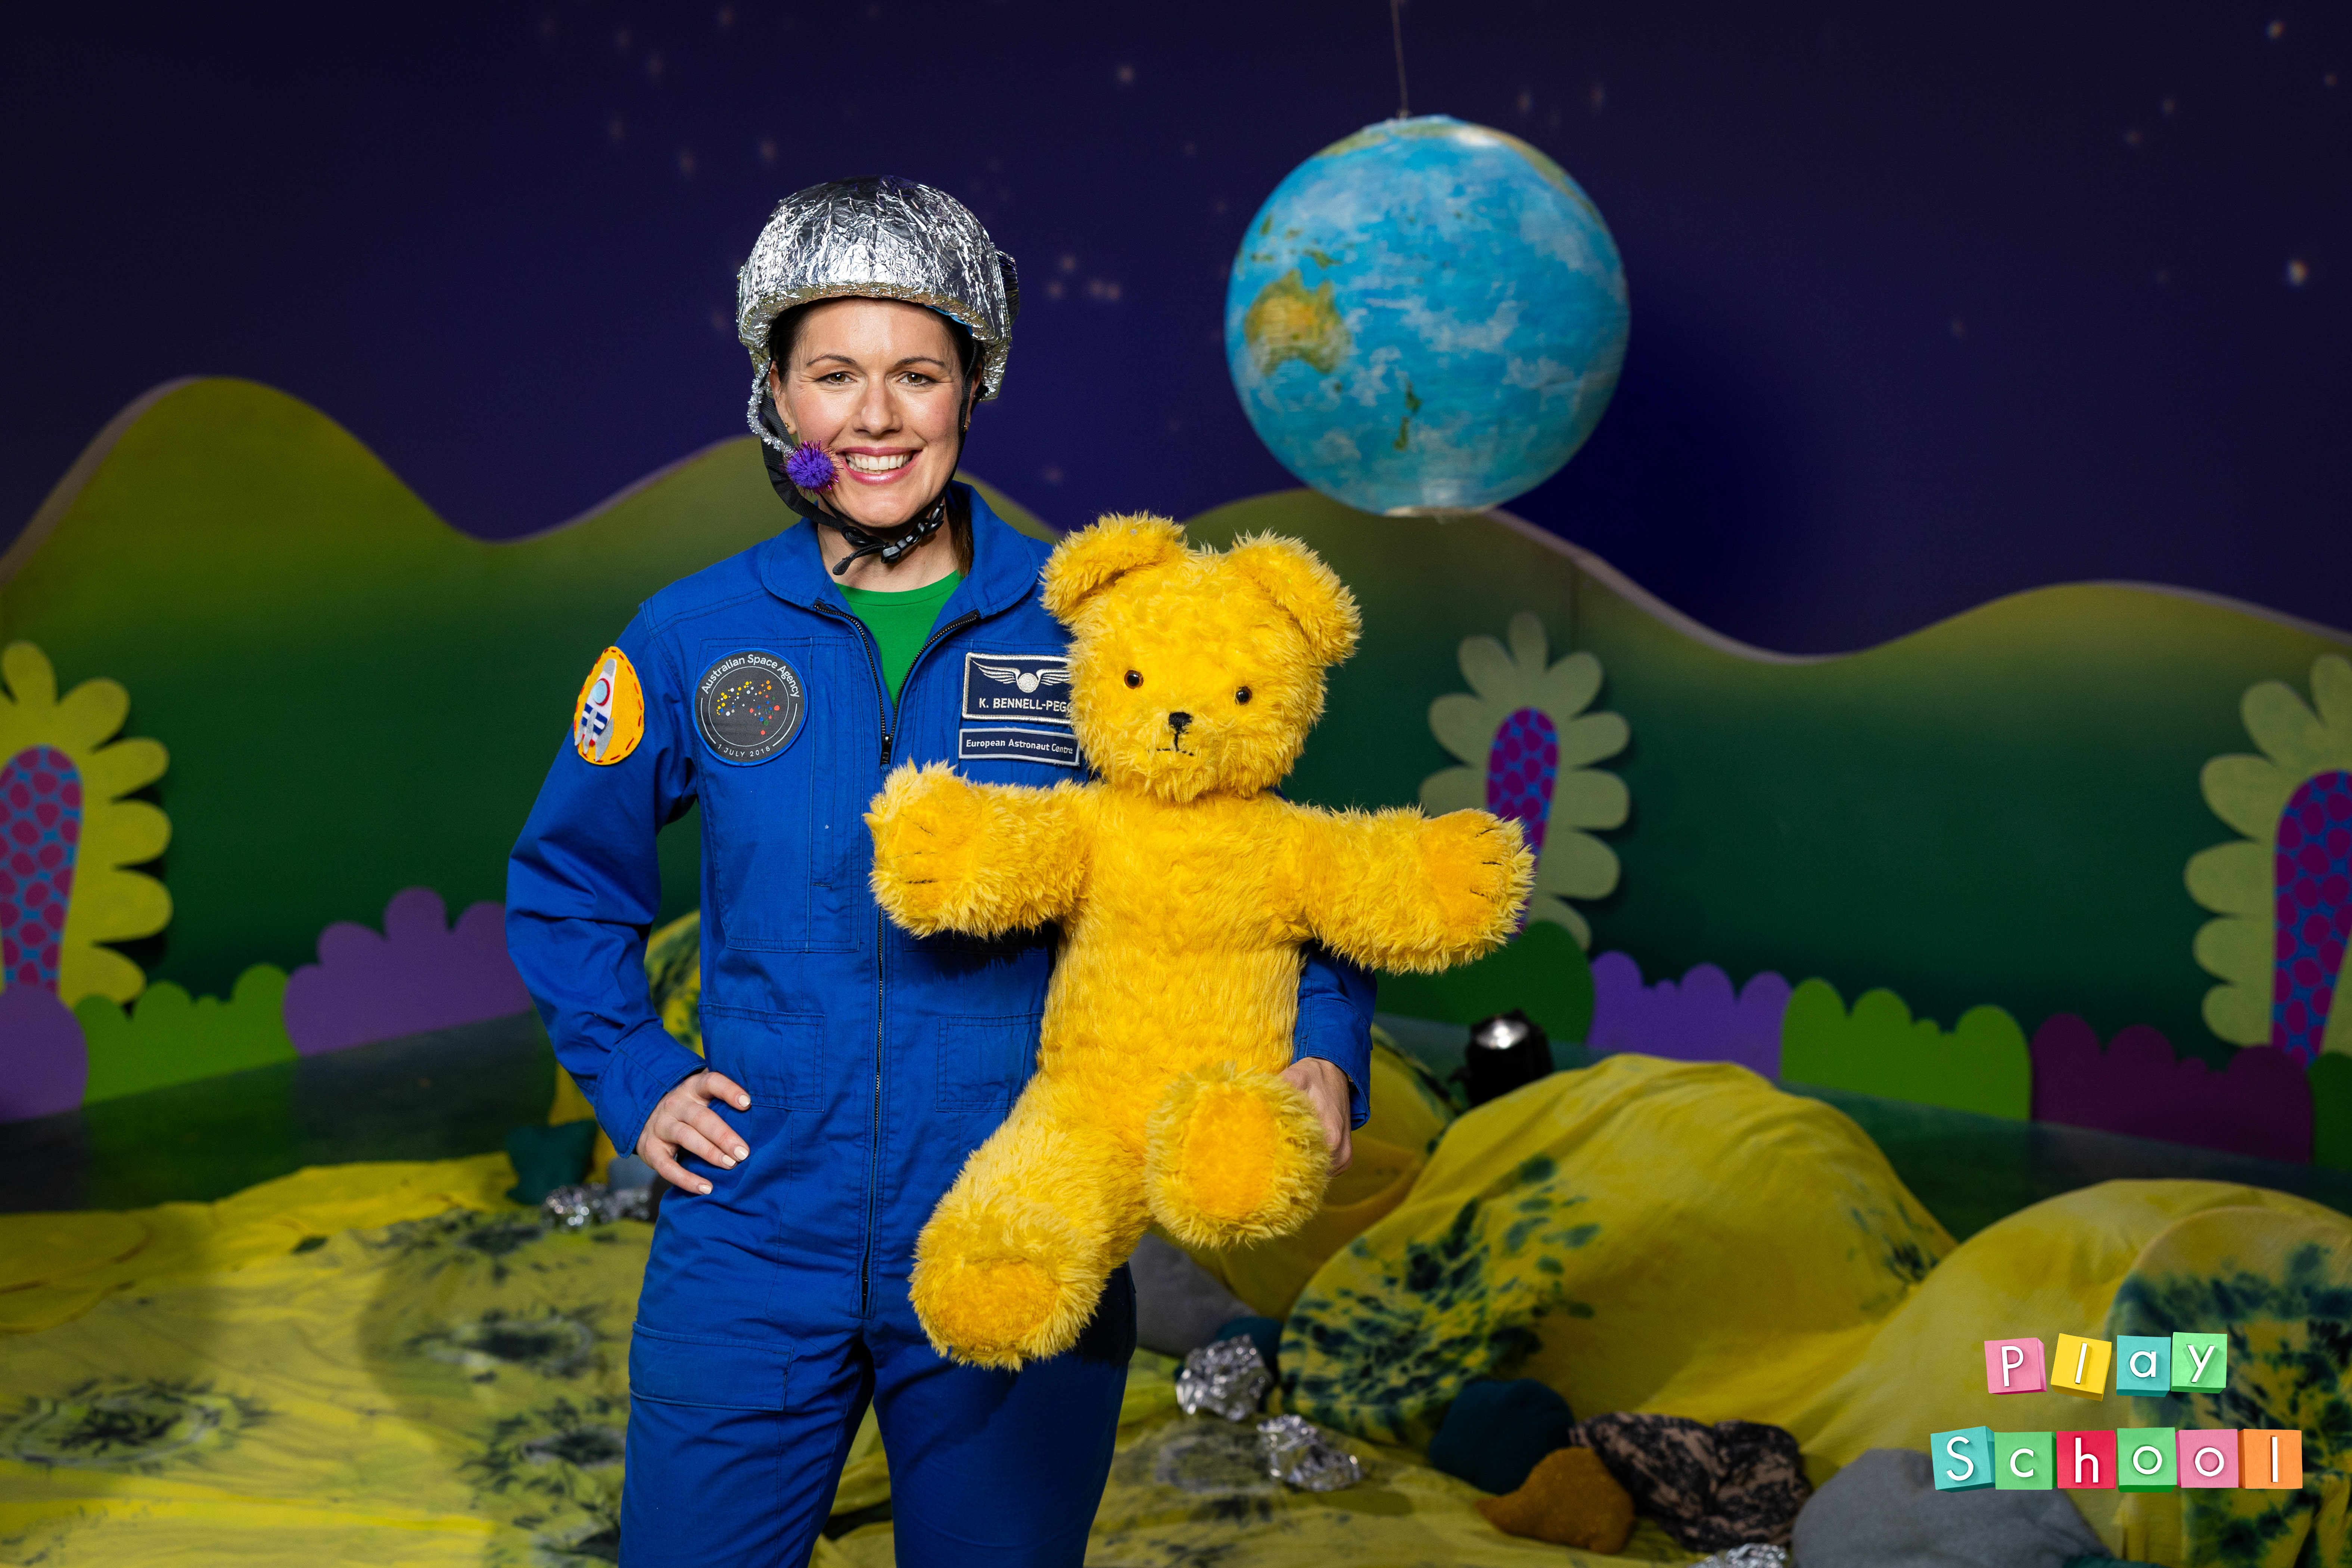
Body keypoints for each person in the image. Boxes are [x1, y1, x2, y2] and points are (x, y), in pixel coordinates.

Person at [505, 175, 1375, 1568]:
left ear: (974, 389)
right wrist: (631, 1072)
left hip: (1010, 1220)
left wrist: (1325, 1043)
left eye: (917, 374)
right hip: (751, 1237)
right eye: (832, 374)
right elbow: (566, 882)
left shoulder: (1101, 626)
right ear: (776, 395)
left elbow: (1257, 864)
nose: (875, 415)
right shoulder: (690, 636)